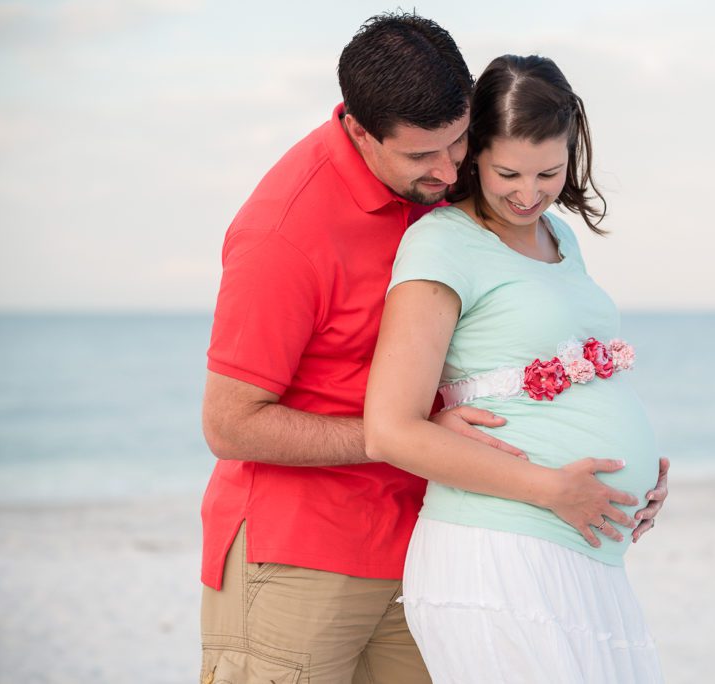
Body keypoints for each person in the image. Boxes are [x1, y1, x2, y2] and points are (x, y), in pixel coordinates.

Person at [198, 12, 668, 684]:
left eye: (458, 144)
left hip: (418, 541)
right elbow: (228, 422)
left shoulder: (448, 190)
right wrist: (400, 432)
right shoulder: (285, 232)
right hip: (299, 557)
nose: (450, 171)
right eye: (423, 156)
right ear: (360, 130)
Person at [364, 54, 667, 682]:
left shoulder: (563, 238)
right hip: (500, 551)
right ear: (473, 154)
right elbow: (389, 429)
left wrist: (639, 482)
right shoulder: (443, 242)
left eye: (548, 173)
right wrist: (555, 489)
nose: (528, 195)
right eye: (508, 173)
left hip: (582, 558)